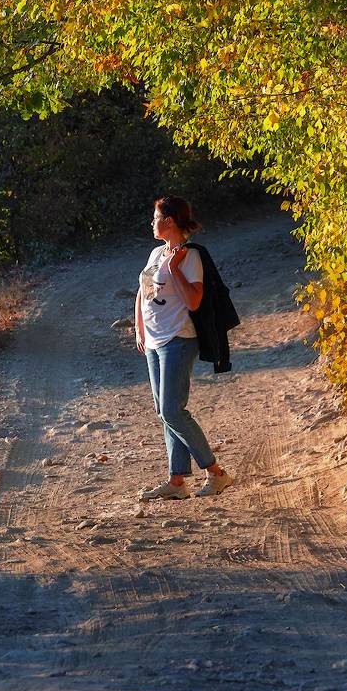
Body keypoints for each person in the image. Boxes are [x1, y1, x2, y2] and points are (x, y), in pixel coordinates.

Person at [133, 196, 234, 500]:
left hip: (178, 338)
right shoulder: (155, 253)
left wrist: (175, 269)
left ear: (170, 222)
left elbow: (193, 301)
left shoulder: (189, 256)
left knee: (171, 410)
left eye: (155, 218)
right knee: (164, 412)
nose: (152, 223)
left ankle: (216, 474)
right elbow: (145, 292)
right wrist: (139, 327)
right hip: (152, 340)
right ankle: (177, 482)